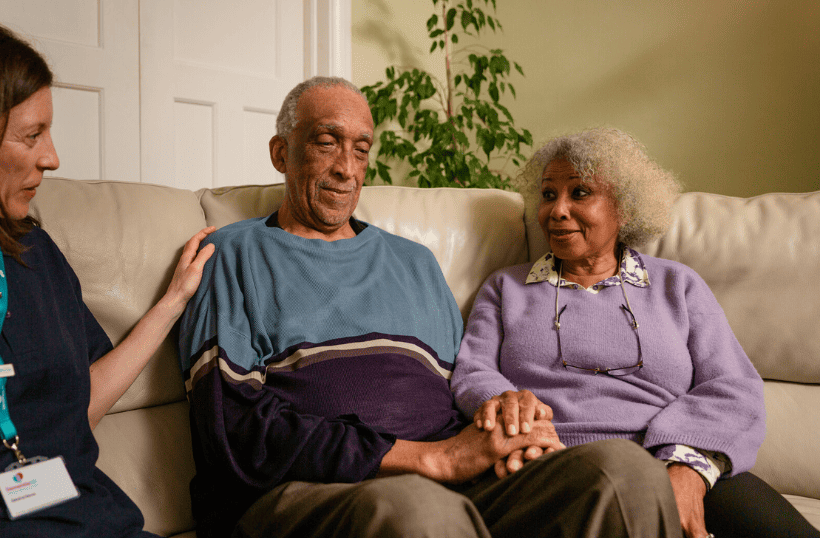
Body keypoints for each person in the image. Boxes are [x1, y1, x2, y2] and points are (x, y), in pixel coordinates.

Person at [178, 78, 683, 538]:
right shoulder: (232, 255)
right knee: (420, 510)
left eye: (361, 150)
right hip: (312, 492)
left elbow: (464, 387)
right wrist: (431, 460)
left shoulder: (414, 262)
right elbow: (235, 429)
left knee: (623, 472)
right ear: (280, 152)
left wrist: (507, 413)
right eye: (326, 142)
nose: (346, 169)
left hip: (455, 482)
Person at [0, 13, 214, 537]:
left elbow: (75, 408)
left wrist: (171, 305)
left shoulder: (29, 249)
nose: (52, 157)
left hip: (96, 521)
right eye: (32, 135)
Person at [451, 127, 820, 538]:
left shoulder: (677, 285)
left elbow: (732, 385)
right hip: (553, 463)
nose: (556, 210)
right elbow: (471, 371)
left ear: (623, 208)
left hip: (669, 455)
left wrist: (687, 467)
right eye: (549, 194)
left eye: (580, 193)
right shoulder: (506, 288)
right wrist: (502, 402)